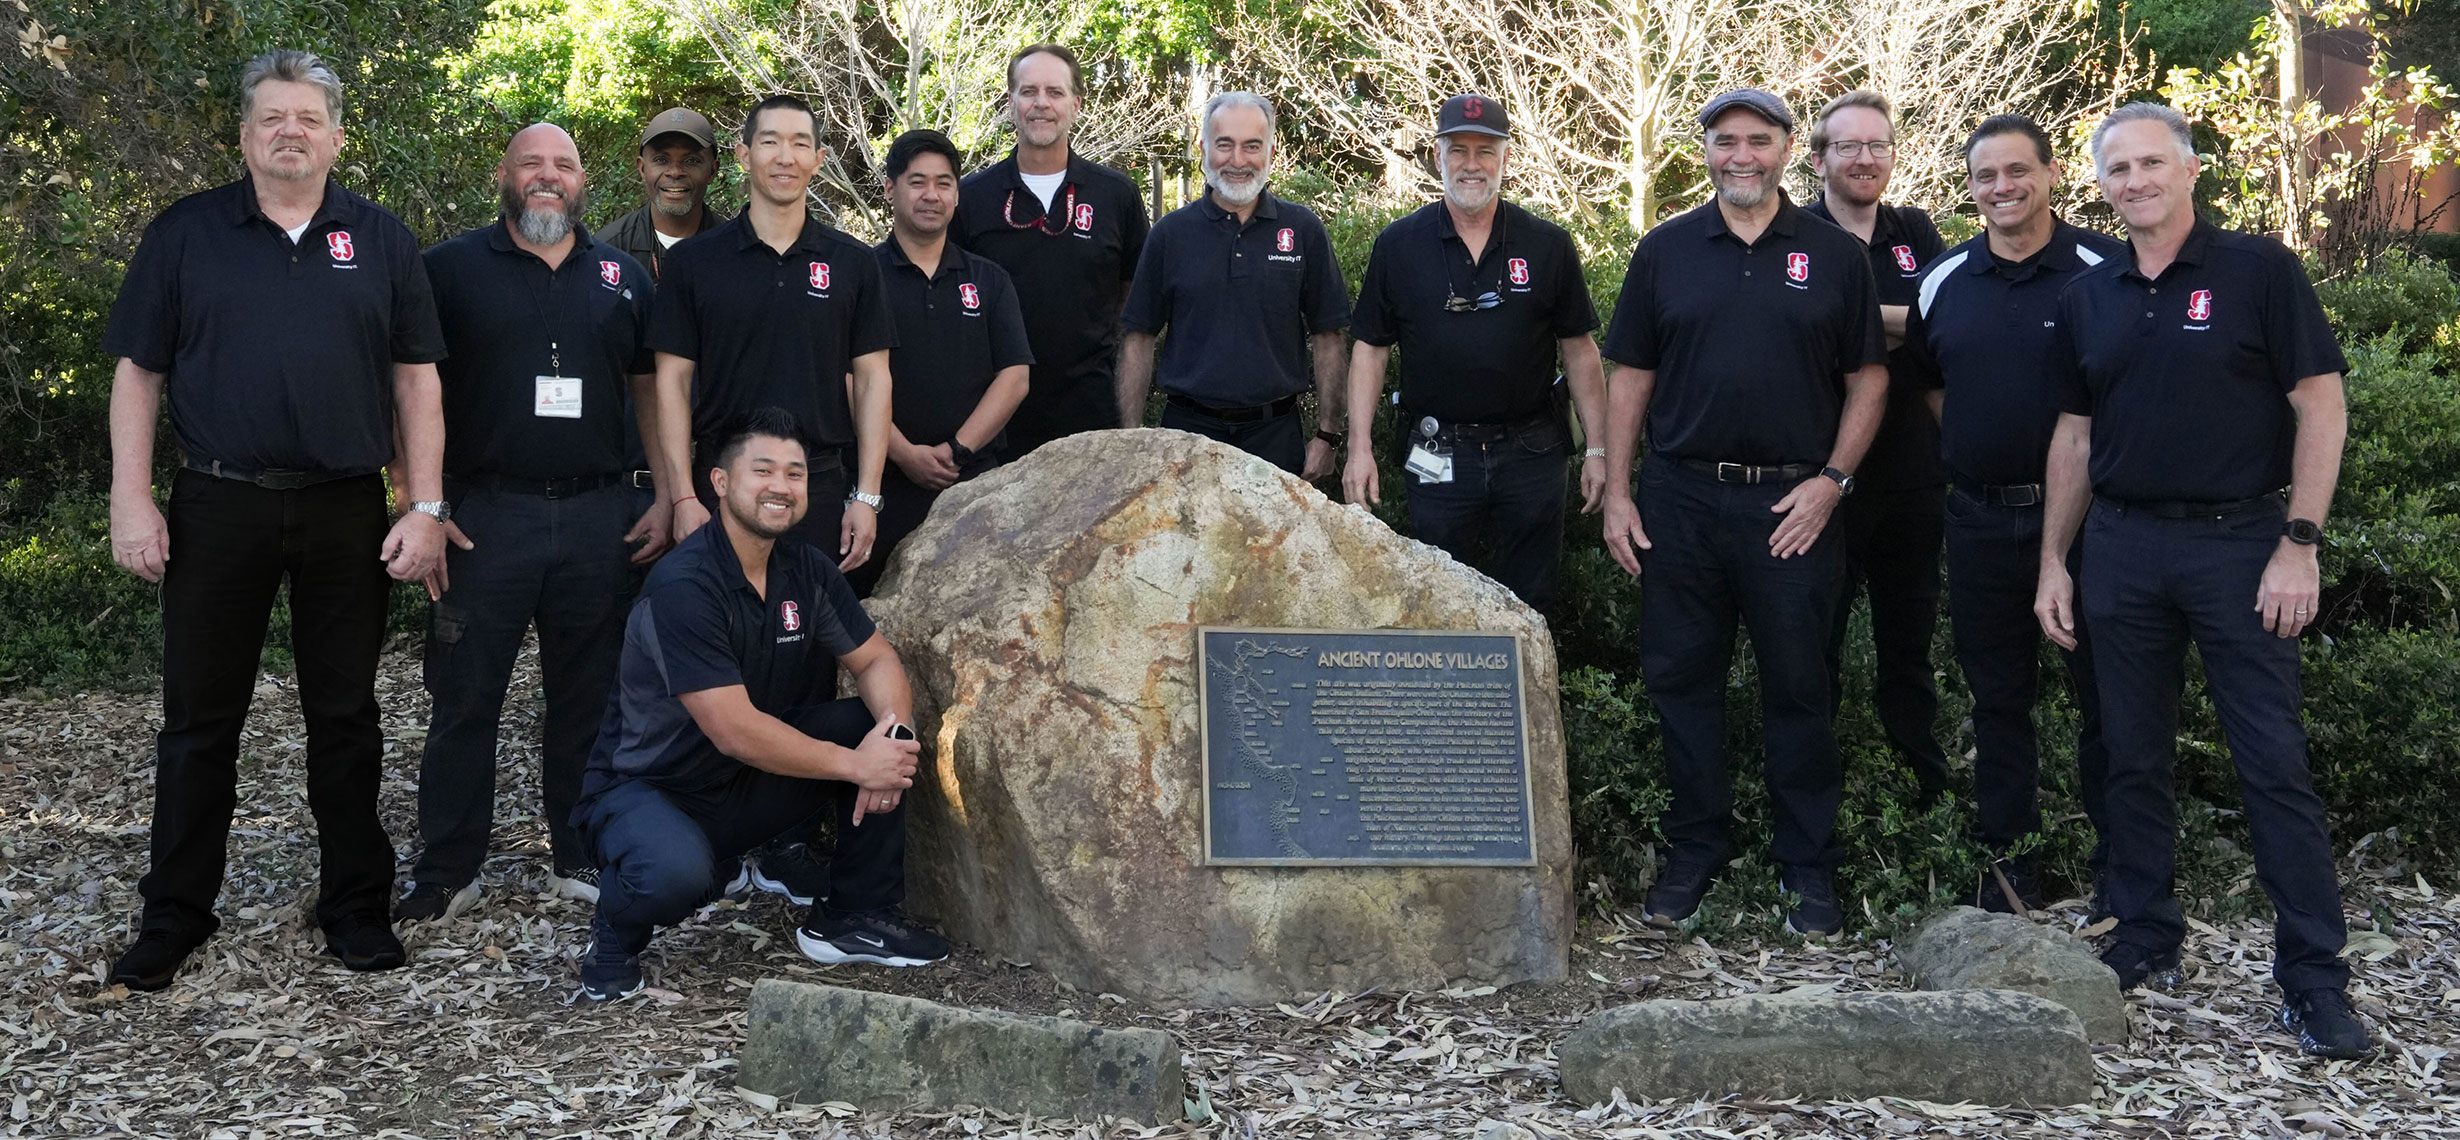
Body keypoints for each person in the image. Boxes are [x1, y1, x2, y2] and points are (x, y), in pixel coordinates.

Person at [99, 49, 448, 989]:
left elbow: (417, 381)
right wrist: (131, 497)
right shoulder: (186, 233)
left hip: (345, 507)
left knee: (346, 717)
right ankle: (174, 916)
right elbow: (139, 372)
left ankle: (356, 908)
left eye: (308, 118)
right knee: (198, 723)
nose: (290, 131)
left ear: (336, 136)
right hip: (219, 504)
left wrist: (424, 506)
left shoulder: (381, 238)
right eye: (272, 118)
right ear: (245, 134)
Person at [2035, 102, 2369, 1057]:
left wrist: (2299, 542)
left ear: (2189, 169)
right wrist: (2054, 559)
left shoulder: (2258, 271)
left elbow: (2321, 405)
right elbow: (2075, 436)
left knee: (2273, 763)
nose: (2135, 181)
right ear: (2099, 185)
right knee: (2130, 756)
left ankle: (2314, 979)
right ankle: (2145, 937)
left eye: (2152, 163)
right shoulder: (2090, 293)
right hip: (2123, 548)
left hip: (2242, 547)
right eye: (2118, 169)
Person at [1597, 89, 1889, 938]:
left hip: (1793, 503)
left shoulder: (1835, 256)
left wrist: (1833, 482)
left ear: (1788, 150)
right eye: (1725, 141)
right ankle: (1698, 847)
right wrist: (1618, 492)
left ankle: (1807, 864)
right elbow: (1631, 377)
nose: (1741, 156)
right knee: (1682, 680)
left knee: (1799, 685)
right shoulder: (1666, 250)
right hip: (1681, 498)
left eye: (1758, 140)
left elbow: (1869, 378)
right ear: (1707, 152)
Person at [572, 407, 950, 1000]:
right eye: (764, 470)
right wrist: (859, 766)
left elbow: (876, 660)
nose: (782, 486)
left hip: (746, 781)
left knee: (875, 729)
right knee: (675, 874)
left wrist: (892, 740)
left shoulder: (805, 569)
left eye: (795, 474)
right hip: (651, 789)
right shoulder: (685, 585)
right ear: (721, 483)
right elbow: (734, 730)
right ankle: (615, 935)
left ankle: (853, 916)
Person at [395, 124, 667, 922]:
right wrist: (420, 504)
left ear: (585, 181)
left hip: (597, 515)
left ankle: (579, 852)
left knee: (589, 698)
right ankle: (448, 868)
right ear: (504, 176)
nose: (548, 177)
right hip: (485, 517)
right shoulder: (448, 269)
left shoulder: (623, 277)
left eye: (563, 165)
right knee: (464, 698)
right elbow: (409, 389)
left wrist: (666, 492)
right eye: (531, 164)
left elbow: (651, 390)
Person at [1898, 114, 2123, 912]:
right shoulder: (1941, 280)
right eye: (1986, 176)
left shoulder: (2107, 268)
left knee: (2109, 698)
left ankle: (2122, 869)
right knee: (1997, 700)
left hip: (2096, 527)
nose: (2003, 188)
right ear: (1970, 187)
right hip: (1982, 521)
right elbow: (1930, 384)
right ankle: (2011, 865)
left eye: (2018, 170)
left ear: (2052, 173)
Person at [1343, 92, 1607, 611]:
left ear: (1505, 158)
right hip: (1435, 451)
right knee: (1437, 603)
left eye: (1485, 151)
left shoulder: (1548, 244)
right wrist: (1358, 448)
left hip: (1532, 454)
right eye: (1458, 150)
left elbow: (1580, 352)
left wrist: (1598, 450)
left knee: (1533, 604)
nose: (1471, 164)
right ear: (1437, 156)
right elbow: (1370, 350)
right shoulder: (1399, 245)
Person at [645, 94, 895, 568]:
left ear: (818, 159)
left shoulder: (855, 263)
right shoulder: (693, 262)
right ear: (744, 155)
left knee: (815, 615)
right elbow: (672, 382)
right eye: (770, 142)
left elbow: (873, 379)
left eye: (800, 144)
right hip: (721, 482)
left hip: (818, 485)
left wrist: (867, 496)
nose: (785, 157)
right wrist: (682, 497)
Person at [1802, 91, 1953, 808]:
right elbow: (1809, 332)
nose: (1865, 159)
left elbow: (1943, 320)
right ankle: (1819, 791)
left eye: (1878, 145)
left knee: (1909, 642)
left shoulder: (1913, 229)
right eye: (1848, 147)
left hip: (1914, 472)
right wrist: (1897, 322)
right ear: (1818, 159)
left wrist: (1860, 323)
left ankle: (1922, 789)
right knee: (1816, 642)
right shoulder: (1795, 235)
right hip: (1823, 477)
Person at [1118, 92, 1349, 475]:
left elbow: (1329, 337)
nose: (1237, 160)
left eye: (1251, 146)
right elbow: (1138, 338)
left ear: (1270, 151)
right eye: (1224, 144)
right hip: (1186, 434)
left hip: (1276, 437)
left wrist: (1328, 436)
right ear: (1203, 148)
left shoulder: (1303, 230)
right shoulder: (1170, 234)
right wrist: (1129, 439)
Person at [847, 130, 1032, 597]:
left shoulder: (988, 280)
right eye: (917, 182)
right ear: (890, 190)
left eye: (944, 183)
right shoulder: (860, 276)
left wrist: (957, 450)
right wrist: (904, 453)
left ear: (957, 194)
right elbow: (846, 378)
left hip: (974, 485)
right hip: (883, 486)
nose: (931, 195)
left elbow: (1015, 377)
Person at [951, 44, 1151, 457]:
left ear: (1075, 105)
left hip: (1092, 419)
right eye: (1029, 91)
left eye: (1055, 92)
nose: (1041, 103)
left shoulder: (1116, 195)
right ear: (1011, 103)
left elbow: (1136, 298)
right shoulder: (970, 198)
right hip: (991, 425)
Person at [599, 107, 729, 283]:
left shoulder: (736, 250)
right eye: (661, 160)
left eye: (691, 161)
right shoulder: (608, 251)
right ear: (642, 169)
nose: (675, 172)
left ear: (712, 171)